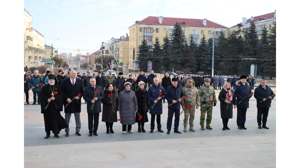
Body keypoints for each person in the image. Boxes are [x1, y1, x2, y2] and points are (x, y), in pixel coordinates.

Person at [40, 74, 68, 139]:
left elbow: (61, 95)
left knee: (56, 120)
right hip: (48, 108)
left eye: (52, 79)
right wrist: (47, 99)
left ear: (54, 80)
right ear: (48, 80)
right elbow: (41, 96)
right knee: (47, 120)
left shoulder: (58, 87)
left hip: (55, 107)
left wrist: (55, 98)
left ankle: (56, 133)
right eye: (50, 80)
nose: (51, 81)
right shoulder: (45, 87)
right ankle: (47, 133)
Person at [61, 70, 85, 136]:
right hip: (68, 102)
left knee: (77, 117)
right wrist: (66, 98)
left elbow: (82, 91)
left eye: (75, 73)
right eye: (73, 73)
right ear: (70, 74)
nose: (74, 75)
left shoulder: (80, 81)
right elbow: (62, 91)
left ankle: (77, 130)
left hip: (76, 102)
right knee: (67, 117)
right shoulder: (65, 81)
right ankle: (67, 130)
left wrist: (79, 96)